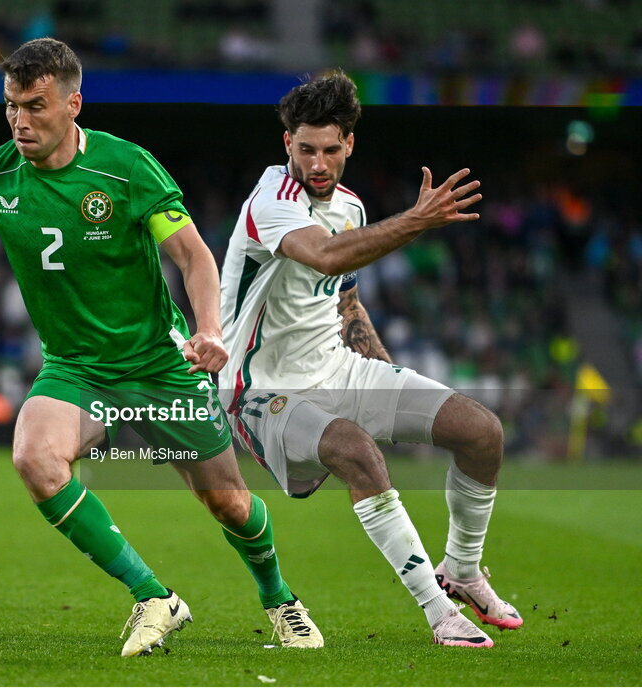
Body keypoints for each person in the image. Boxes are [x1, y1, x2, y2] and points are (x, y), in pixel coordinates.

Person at [0, 38, 319, 656]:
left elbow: (193, 255)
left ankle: (280, 599)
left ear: (74, 104)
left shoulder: (124, 168)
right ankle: (154, 597)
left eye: (35, 105)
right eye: (11, 105)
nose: (19, 120)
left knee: (227, 501)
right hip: (76, 369)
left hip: (158, 362)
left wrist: (208, 329)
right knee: (35, 459)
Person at [219, 70, 522, 648]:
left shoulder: (352, 207)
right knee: (355, 451)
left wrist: (387, 383)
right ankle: (440, 615)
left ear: (349, 144)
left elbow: (346, 300)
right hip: (258, 390)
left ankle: (461, 570)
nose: (317, 164)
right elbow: (327, 258)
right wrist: (416, 220)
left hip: (338, 368)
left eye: (330, 150)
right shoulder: (272, 200)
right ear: (287, 144)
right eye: (304, 149)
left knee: (481, 431)